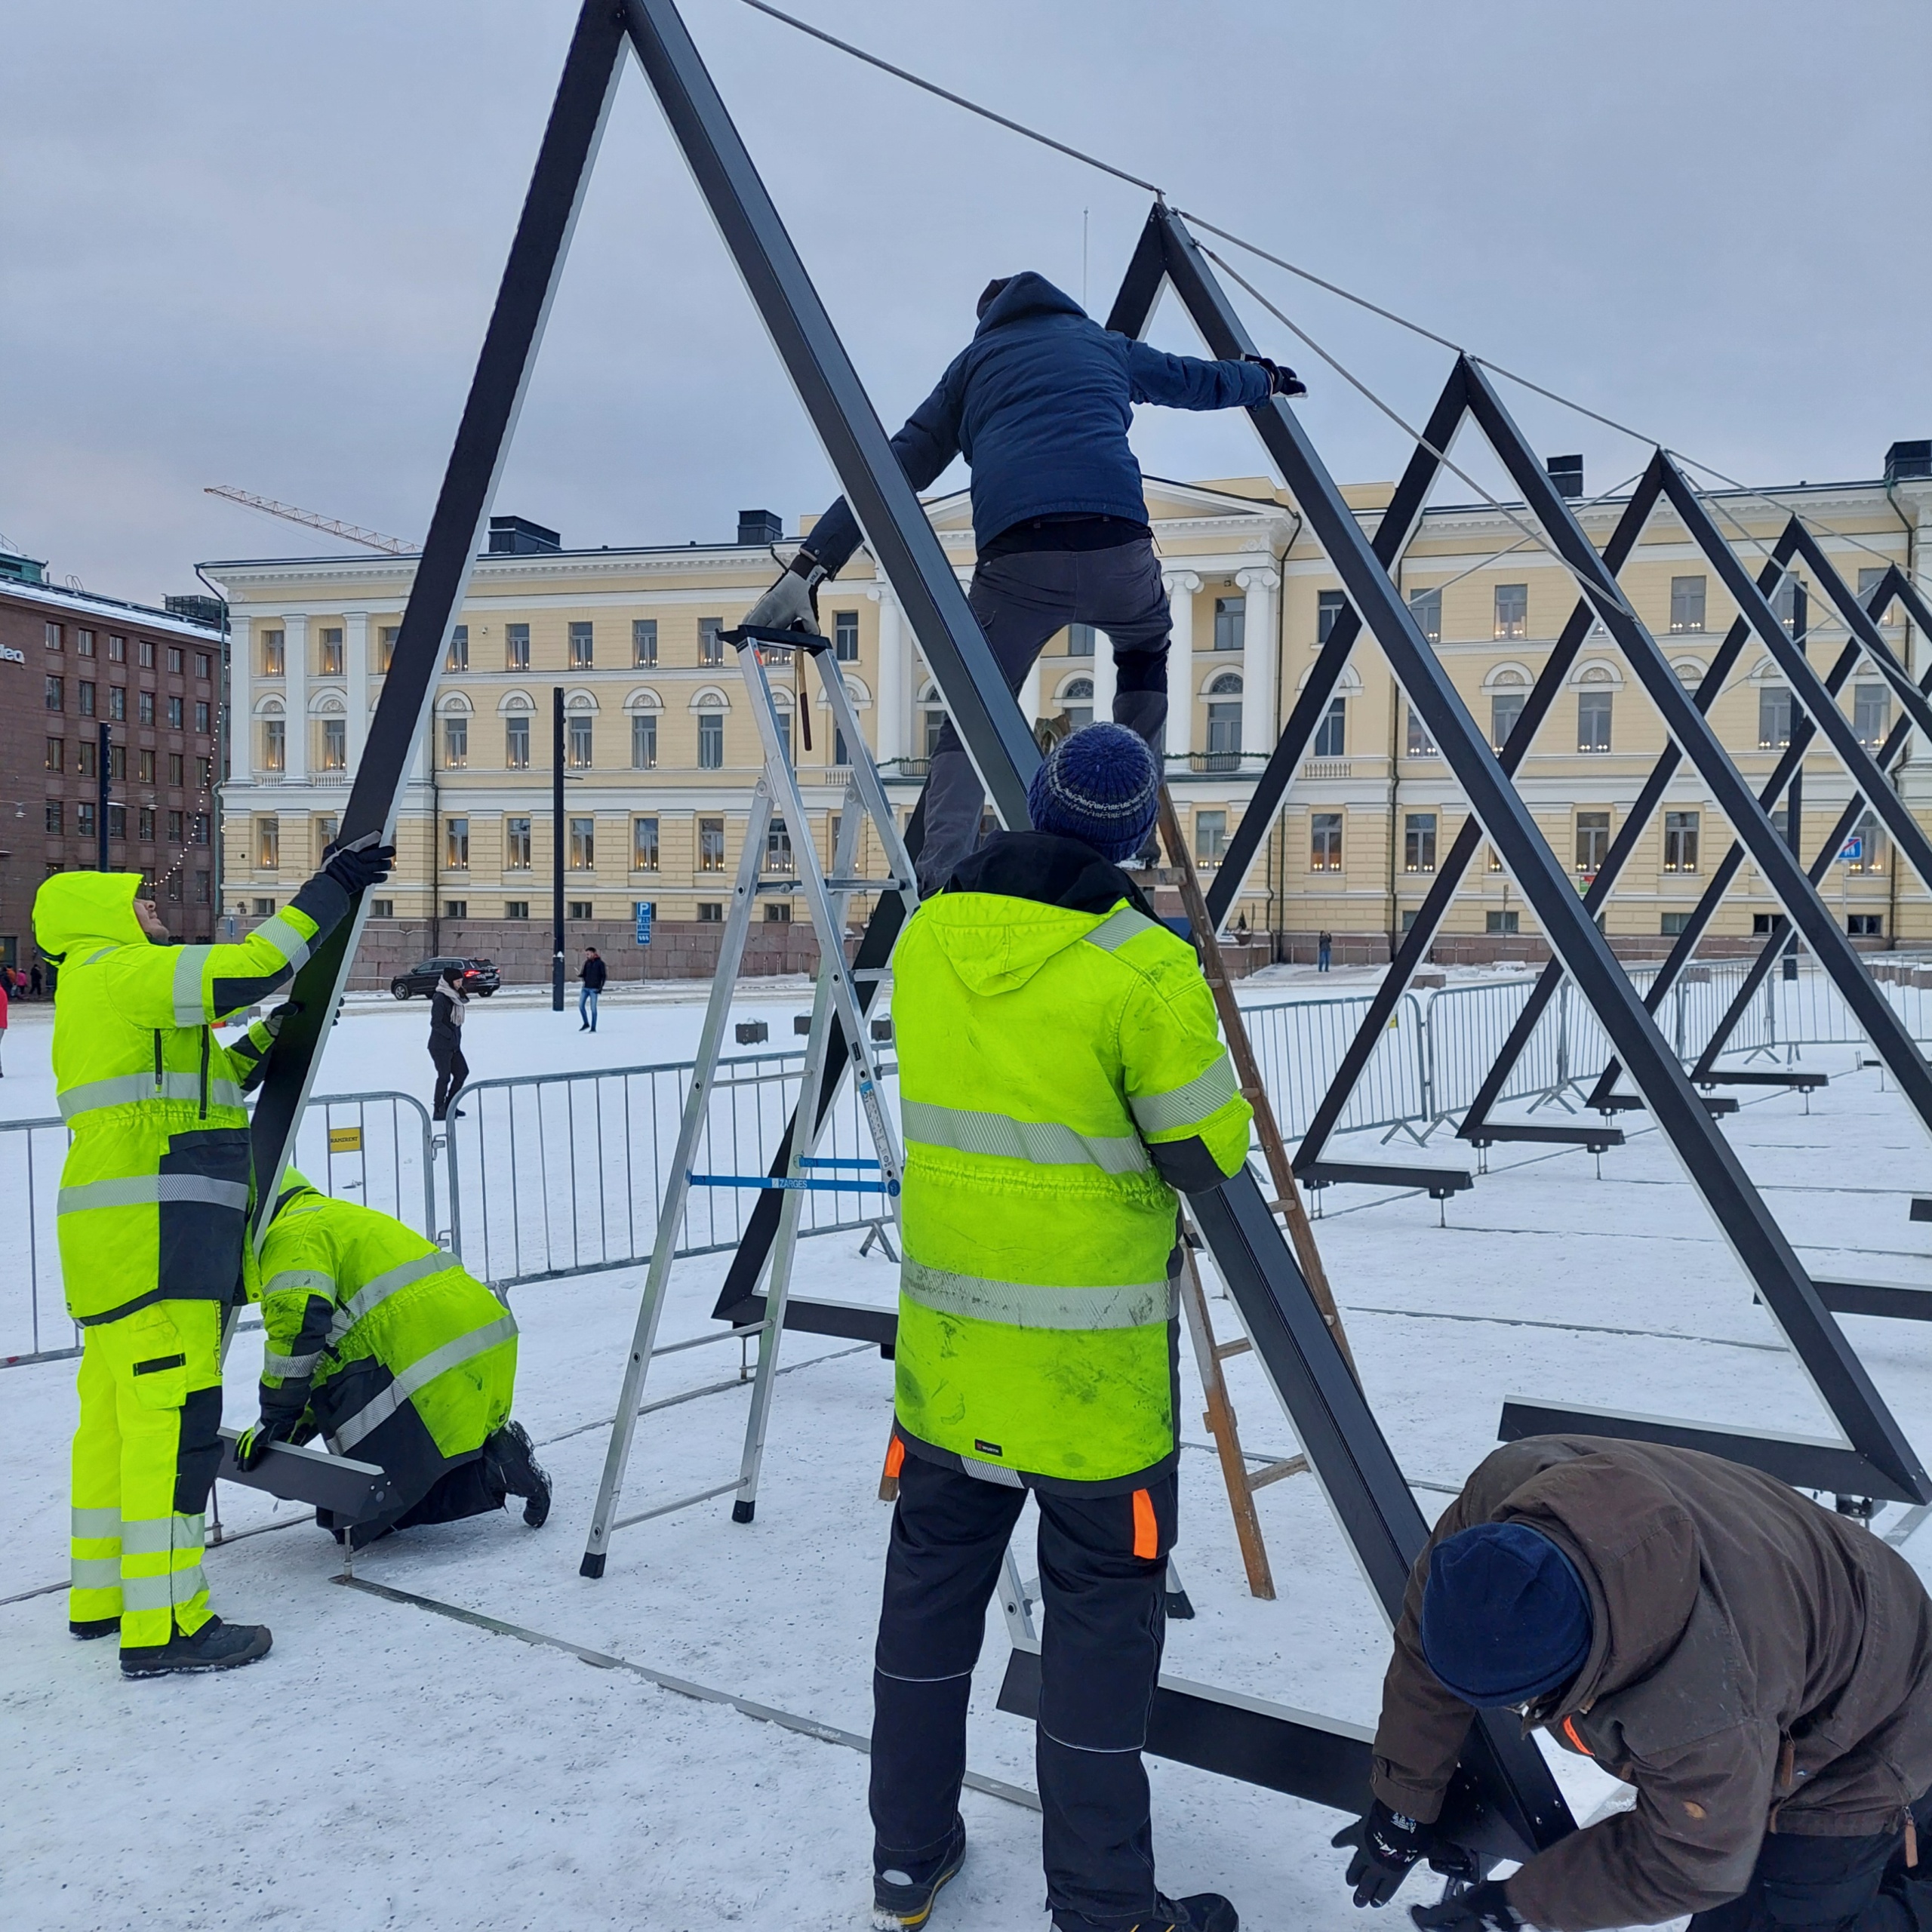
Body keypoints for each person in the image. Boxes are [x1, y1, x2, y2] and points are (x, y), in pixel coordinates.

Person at [870, 724, 1255, 1932]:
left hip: (949, 1361)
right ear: (1137, 841)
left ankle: (906, 1858)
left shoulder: (931, 937)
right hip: (1092, 1387)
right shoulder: (1143, 969)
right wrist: (1178, 992)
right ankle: (1103, 1907)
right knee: (1098, 1637)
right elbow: (1203, 1151)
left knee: (928, 1608)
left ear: (1034, 808)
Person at [744, 272, 1306, 895]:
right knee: (1145, 648)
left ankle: (939, 874)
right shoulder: (1102, 345)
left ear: (988, 321)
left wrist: (810, 566)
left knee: (972, 708)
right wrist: (1266, 380)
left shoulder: (973, 367)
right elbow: (1195, 381)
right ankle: (1132, 819)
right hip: (1115, 546)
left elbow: (892, 467)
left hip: (1019, 561)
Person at [33, 837, 393, 1678]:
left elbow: (190, 1080)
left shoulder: (101, 991)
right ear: (99, 912)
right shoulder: (122, 970)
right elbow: (253, 964)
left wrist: (269, 1043)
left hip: (116, 1242)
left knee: (115, 1423)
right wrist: (331, 886)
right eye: (140, 900)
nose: (154, 908)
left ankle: (105, 1596)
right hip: (161, 1239)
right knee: (176, 1429)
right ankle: (166, 1627)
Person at [1336, 1434, 1932, 1932]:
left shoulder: (1698, 1701)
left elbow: (1695, 1857)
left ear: (1579, 1675)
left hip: (1878, 1699)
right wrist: (1402, 1806)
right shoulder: (1504, 1501)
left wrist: (1516, 1907)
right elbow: (1426, 1654)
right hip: (1801, 1608)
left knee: (1793, 1912)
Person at [235, 1170, 548, 1547]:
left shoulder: (290, 1238)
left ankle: (494, 1470)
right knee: (367, 1494)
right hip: (469, 1347)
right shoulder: (326, 1215)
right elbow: (337, 1343)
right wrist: (294, 1433)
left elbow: (299, 1331)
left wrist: (276, 1419)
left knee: (366, 1513)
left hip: (430, 1364)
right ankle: (491, 1453)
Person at [429, 963, 469, 1121]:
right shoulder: (441, 997)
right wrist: (450, 1036)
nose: (460, 984)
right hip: (440, 1046)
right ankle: (439, 1110)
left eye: (461, 981)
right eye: (458, 981)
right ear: (450, 981)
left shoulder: (455, 996)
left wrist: (455, 1040)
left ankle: (451, 1105)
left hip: (453, 1045)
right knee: (444, 1077)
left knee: (462, 1072)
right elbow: (436, 1023)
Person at [579, 946, 607, 1032]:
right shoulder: (586, 963)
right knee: (581, 1006)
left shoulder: (600, 963)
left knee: (593, 1009)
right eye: (586, 954)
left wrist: (600, 988)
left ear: (593, 953)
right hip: (585, 988)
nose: (587, 956)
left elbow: (603, 976)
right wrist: (581, 975)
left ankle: (593, 1028)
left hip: (594, 989)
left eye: (588, 954)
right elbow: (584, 974)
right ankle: (586, 1023)